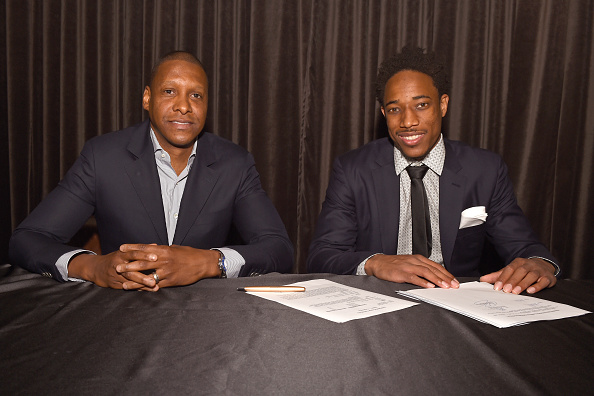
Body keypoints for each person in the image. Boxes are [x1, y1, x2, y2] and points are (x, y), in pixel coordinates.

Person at [9, 51, 293, 291]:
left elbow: (278, 249)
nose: (183, 106)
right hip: (123, 313)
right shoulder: (103, 157)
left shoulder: (235, 163)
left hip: (207, 316)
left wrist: (208, 262)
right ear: (147, 98)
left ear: (207, 106)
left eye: (196, 95)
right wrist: (92, 266)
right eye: (169, 91)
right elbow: (27, 239)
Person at [307, 47, 559, 295]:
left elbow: (524, 246)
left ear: (443, 105)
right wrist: (376, 262)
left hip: (459, 305)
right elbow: (322, 256)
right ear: (384, 113)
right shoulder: (353, 170)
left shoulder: (485, 169)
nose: (407, 122)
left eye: (421, 105)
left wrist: (540, 263)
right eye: (395, 109)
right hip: (381, 304)